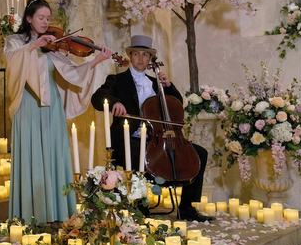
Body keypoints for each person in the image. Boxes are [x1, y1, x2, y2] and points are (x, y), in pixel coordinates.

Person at [3, 0, 112, 227]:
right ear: (29, 18)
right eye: (41, 18)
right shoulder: (15, 42)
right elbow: (13, 61)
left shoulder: (51, 45)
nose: (45, 22)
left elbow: (72, 72)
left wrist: (98, 59)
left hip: (52, 106)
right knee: (32, 155)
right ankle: (32, 216)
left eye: (48, 18)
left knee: (55, 154)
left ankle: (57, 215)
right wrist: (33, 45)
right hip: (28, 104)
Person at [90, 34, 214, 222]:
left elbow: (176, 106)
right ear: (130, 56)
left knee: (200, 154)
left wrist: (169, 86)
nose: (141, 58)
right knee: (137, 154)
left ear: (150, 59)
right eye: (136, 54)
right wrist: (114, 102)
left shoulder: (157, 83)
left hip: (157, 139)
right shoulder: (117, 80)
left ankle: (187, 207)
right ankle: (140, 207)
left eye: (145, 55)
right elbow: (97, 98)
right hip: (129, 139)